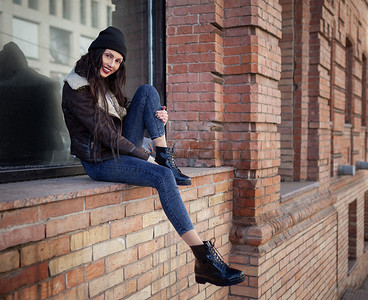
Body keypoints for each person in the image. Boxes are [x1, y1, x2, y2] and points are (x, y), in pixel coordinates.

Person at [62, 26, 245, 286]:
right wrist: (144, 157)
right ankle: (203, 259)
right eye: (108, 56)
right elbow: (106, 135)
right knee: (162, 176)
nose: (112, 64)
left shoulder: (105, 83)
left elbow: (128, 110)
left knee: (148, 92)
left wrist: (160, 120)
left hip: (118, 149)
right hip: (99, 161)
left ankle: (164, 154)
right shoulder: (76, 87)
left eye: (117, 60)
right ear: (96, 52)